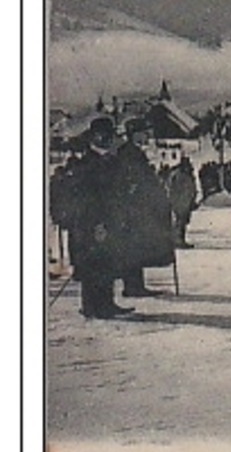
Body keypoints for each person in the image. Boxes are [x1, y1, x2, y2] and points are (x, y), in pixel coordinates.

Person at [49, 116, 174, 319]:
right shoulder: (87, 164)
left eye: (109, 135)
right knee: (93, 265)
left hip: (109, 221)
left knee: (106, 263)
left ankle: (106, 303)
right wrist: (96, 223)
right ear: (94, 137)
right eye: (103, 135)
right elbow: (86, 199)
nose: (107, 139)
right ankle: (92, 307)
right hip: (91, 225)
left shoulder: (108, 161)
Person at [166, 155, 198, 248]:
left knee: (183, 221)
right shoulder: (178, 175)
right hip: (179, 202)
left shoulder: (187, 174)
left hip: (185, 201)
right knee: (179, 221)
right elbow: (172, 188)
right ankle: (177, 240)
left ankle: (180, 239)